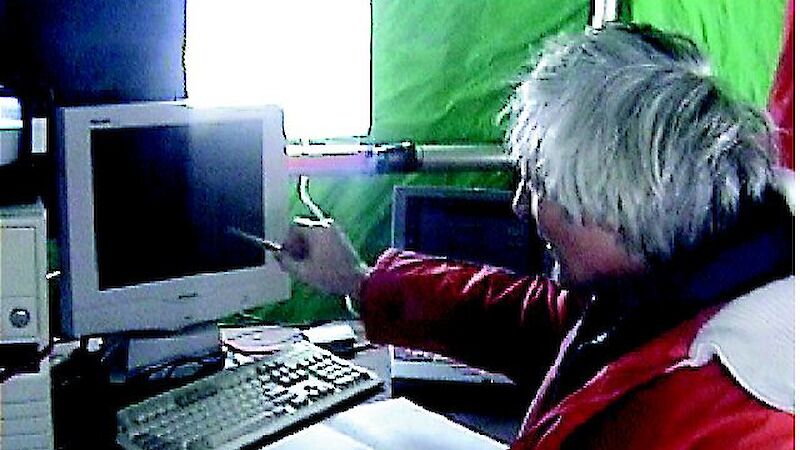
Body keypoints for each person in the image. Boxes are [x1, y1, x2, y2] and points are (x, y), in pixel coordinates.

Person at [276, 24, 794, 449]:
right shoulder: (679, 271)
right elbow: (534, 320)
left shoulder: (723, 417)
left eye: (540, 183)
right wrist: (361, 282)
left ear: (616, 197)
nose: (522, 205)